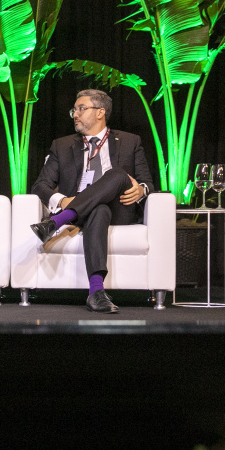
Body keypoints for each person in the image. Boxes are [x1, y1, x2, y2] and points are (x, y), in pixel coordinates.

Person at [30, 88, 154, 313]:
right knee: (99, 209)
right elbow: (40, 185)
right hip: (83, 209)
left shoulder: (129, 141)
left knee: (118, 174)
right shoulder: (62, 145)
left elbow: (147, 182)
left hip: (120, 208)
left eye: (81, 108)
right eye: (74, 110)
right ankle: (96, 292)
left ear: (100, 112)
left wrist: (141, 190)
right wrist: (63, 200)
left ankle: (55, 223)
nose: (75, 114)